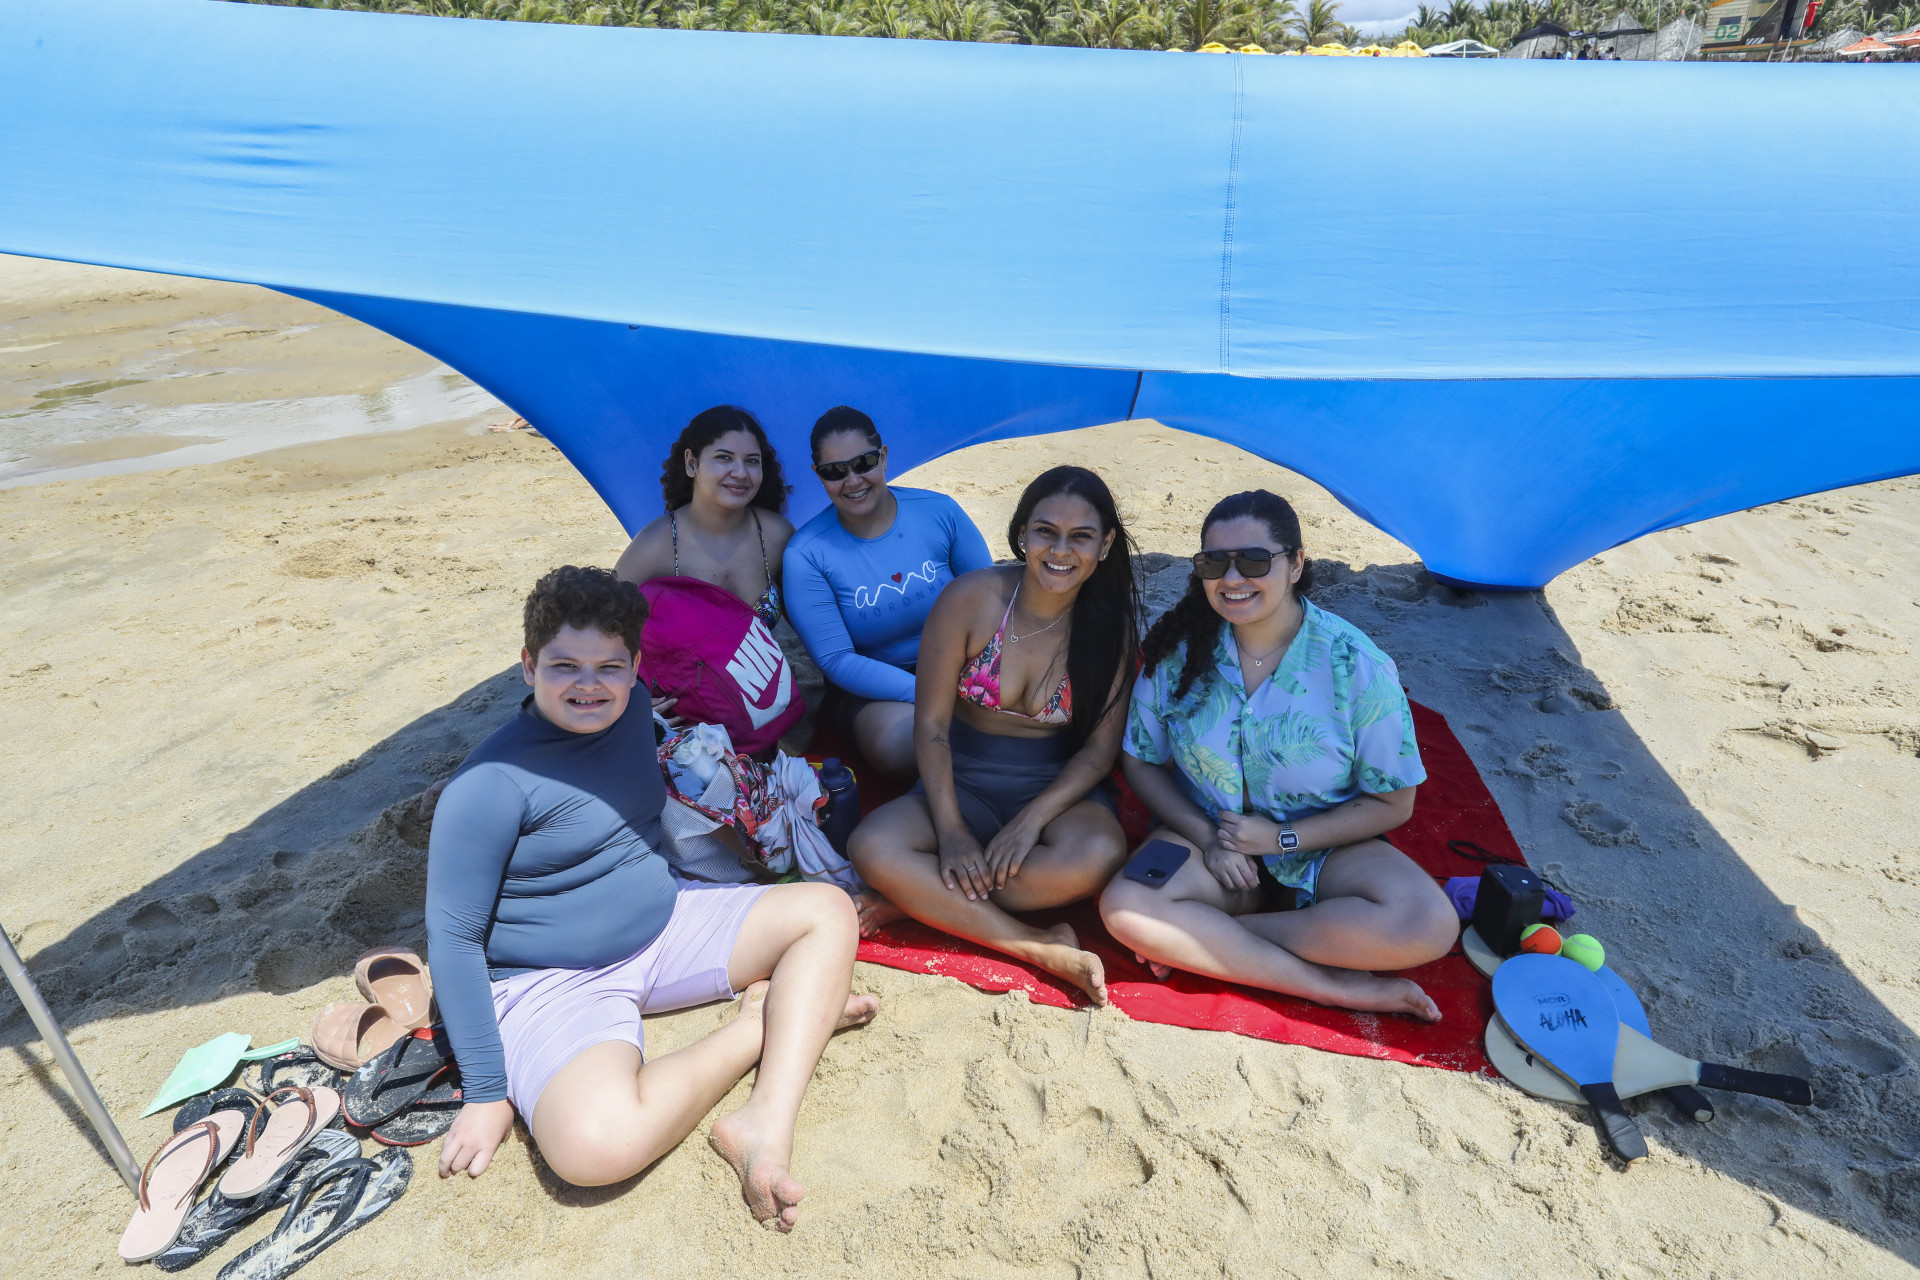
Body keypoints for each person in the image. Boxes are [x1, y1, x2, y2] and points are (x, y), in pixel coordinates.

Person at [426, 565, 877, 1230]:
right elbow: (454, 938)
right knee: (593, 1148)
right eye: (564, 666)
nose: (588, 684)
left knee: (826, 910)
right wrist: (488, 1092)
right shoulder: (487, 787)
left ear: (637, 665)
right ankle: (763, 1024)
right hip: (551, 979)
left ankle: (763, 1121)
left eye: (610, 665)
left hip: (664, 926)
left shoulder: (636, 710)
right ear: (528, 666)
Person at [1098, 491, 1457, 1021]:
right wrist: (1208, 839)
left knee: (1428, 923)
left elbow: (1393, 802)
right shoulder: (1176, 654)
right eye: (1214, 562)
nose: (1233, 577)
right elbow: (1142, 763)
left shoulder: (1354, 664)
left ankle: (1216, 941)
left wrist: (1281, 839)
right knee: (1126, 905)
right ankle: (1330, 986)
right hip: (1207, 840)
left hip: (1324, 846)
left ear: (1296, 564)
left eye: (1255, 560)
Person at [849, 466, 1139, 1004]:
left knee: (1097, 855)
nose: (1060, 550)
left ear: (1105, 546)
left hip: (1054, 788)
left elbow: (1099, 752)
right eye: (1046, 531)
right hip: (963, 777)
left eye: (1081, 536)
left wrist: (1031, 822)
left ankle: (923, 898)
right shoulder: (972, 598)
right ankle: (1034, 943)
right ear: (1022, 533)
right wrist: (952, 829)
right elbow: (931, 726)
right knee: (872, 846)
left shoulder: (1109, 625)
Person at [783, 406, 994, 781]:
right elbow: (836, 659)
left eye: (863, 463)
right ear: (818, 475)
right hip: (875, 686)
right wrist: (930, 692)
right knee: (907, 747)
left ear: (883, 457)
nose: (852, 480)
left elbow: (989, 598)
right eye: (835, 471)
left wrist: (969, 677)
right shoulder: (807, 553)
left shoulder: (938, 511)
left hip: (964, 662)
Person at [615, 405, 797, 747]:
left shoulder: (775, 537)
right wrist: (628, 700)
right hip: (683, 729)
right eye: (724, 458)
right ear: (692, 463)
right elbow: (597, 629)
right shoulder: (654, 547)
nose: (740, 472)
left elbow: (815, 628)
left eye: (752, 461)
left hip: (760, 719)